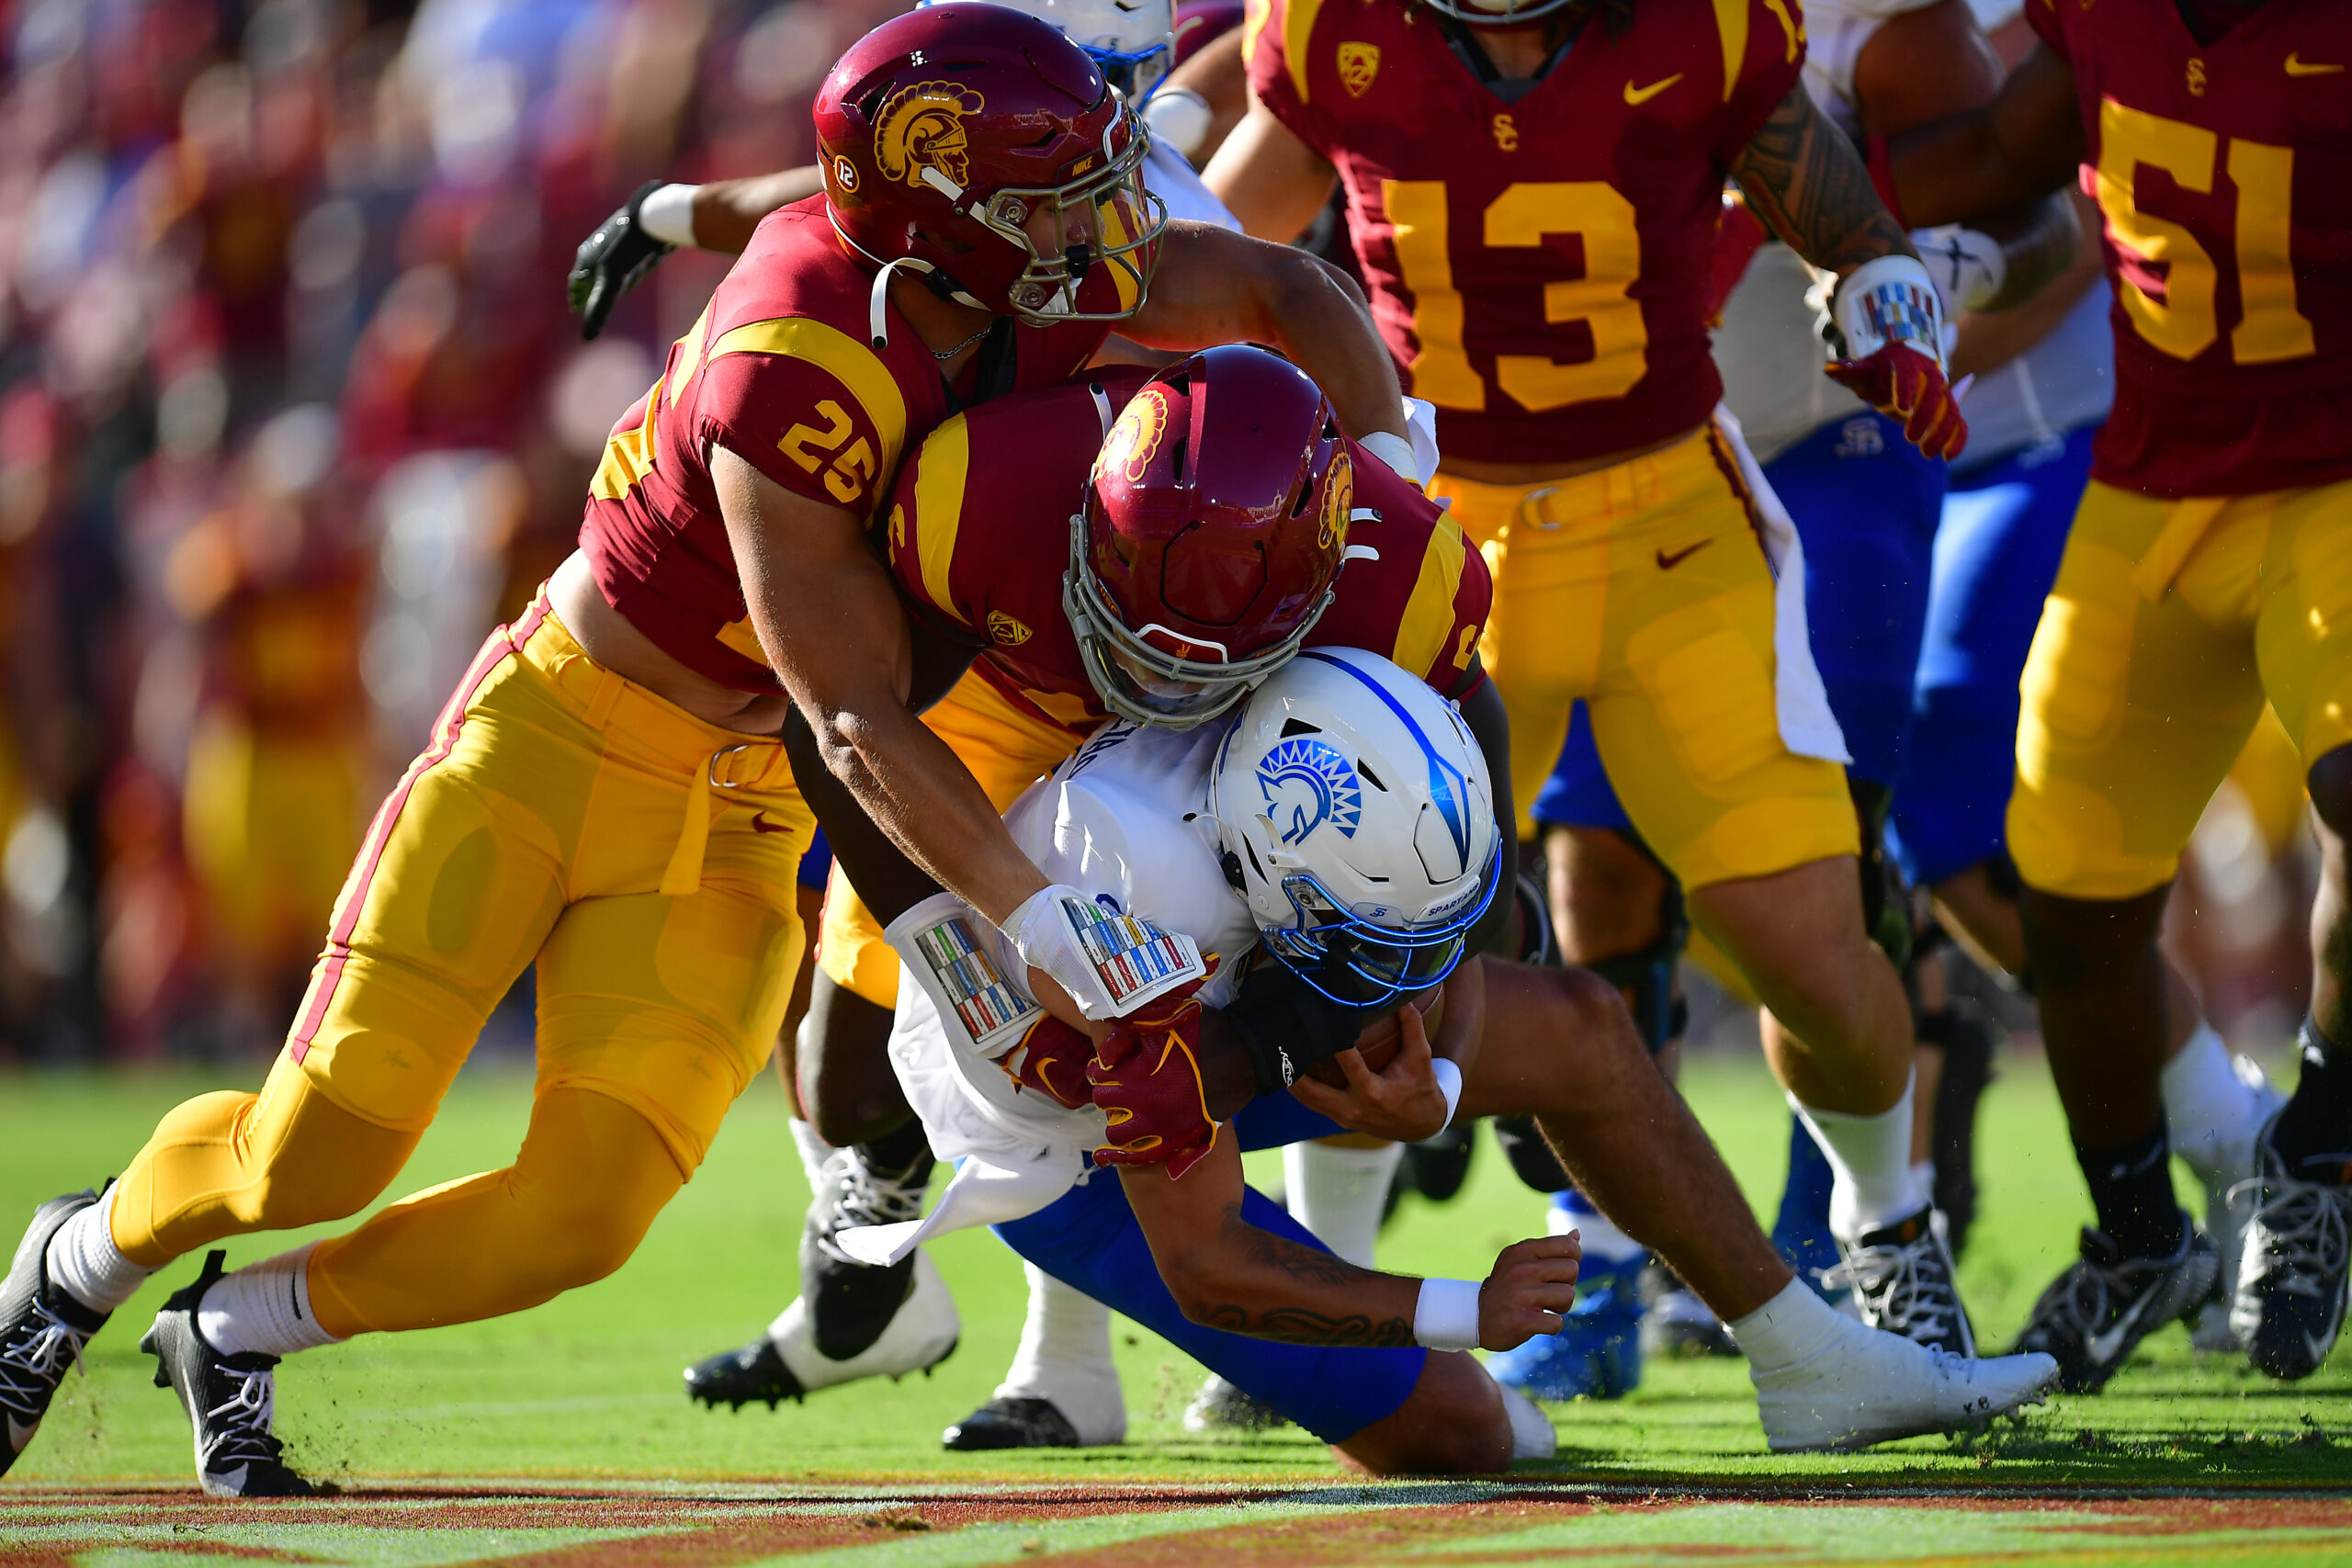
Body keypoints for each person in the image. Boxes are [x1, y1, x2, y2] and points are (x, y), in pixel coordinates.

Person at [0, 6, 1415, 1495]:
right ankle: (76, 1260)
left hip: (738, 794)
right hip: (560, 736)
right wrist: (1038, 909)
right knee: (314, 1152)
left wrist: (1400, 472)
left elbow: (1277, 289)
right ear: (943, 219)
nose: (1095, 226)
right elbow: (857, 715)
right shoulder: (796, 358)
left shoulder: (986, 253)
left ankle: (240, 1326)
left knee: (584, 1213)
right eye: (1047, 200)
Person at [1199, 0, 2029, 1375]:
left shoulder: (1701, 29)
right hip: (1433, 534)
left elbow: (1849, 225)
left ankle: (1889, 1231)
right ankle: (1328, 1289)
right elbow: (1219, 250)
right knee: (1347, 929)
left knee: (1811, 954)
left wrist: (1889, 299)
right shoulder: (1333, 31)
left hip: (1671, 532)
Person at [809, 646, 2059, 1472]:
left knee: (1572, 1017)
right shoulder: (1130, 962)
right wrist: (1455, 1308)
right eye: (1359, 938)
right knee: (1481, 1432)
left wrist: (1447, 1077)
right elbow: (1208, 1263)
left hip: (1214, 983)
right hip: (1079, 1144)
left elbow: (1457, 880)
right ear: (1273, 887)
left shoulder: (1316, 690)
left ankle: (1808, 1358)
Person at [683, 343, 1501, 1448]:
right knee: (856, 1085)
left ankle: (1101, 1347)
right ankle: (1058, 1338)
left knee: (1435, 951)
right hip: (1023, 683)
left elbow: (1296, 291)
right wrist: (975, 959)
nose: (1160, 671)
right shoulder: (984, 487)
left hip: (1257, 749)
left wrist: (1284, 1055)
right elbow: (834, 726)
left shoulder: (1405, 579)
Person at [1495, 0, 2078, 1394]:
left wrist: (1949, 274)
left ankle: (1872, 1232)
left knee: (1823, 873)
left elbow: (2049, 211)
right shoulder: (1461, 38)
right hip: (1598, 474)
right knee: (1597, 881)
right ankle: (1606, 1258)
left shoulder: (1863, 22)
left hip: (1825, 446)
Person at [1881, 0, 2352, 1389]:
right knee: (2070, 894)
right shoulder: (2105, 15)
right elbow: (1989, 156)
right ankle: (2142, 1230)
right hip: (2152, 496)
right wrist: (1777, 164)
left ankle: (2316, 1153)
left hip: (2333, 479)